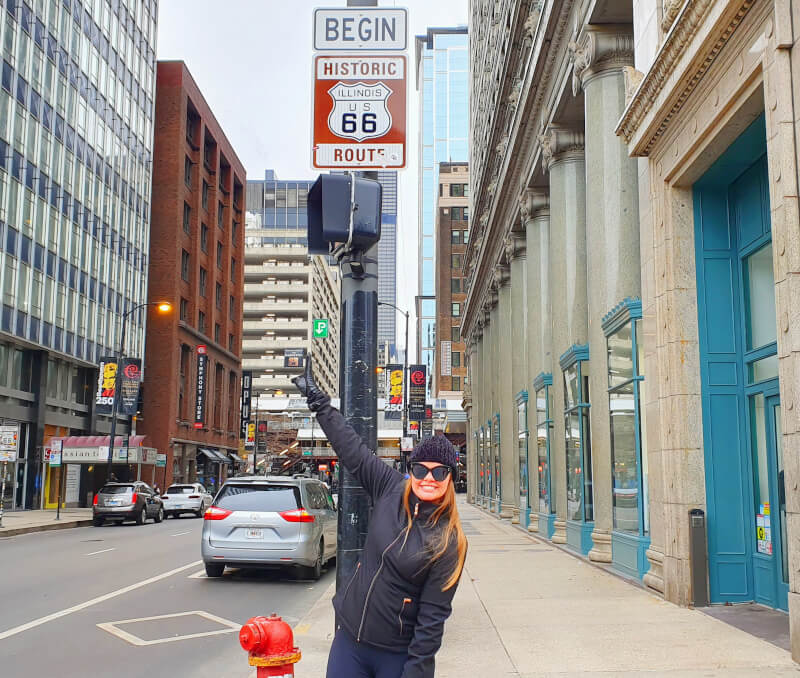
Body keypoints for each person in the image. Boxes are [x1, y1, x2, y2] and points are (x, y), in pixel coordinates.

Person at [293, 360, 468, 678]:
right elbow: (352, 450)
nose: (429, 478)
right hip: (349, 641)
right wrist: (318, 400)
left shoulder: (449, 541)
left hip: (396, 655)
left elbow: (432, 619)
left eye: (440, 471)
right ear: (411, 470)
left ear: (451, 477)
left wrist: (415, 672)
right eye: (421, 469)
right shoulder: (391, 489)